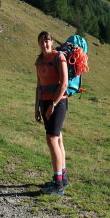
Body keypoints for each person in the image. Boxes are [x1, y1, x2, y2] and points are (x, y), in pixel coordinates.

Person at [35, 31, 69, 195]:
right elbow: (39, 86)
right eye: (42, 41)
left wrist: (53, 105)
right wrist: (37, 108)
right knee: (58, 137)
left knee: (52, 138)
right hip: (44, 101)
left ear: (52, 42)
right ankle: (63, 177)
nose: (45, 44)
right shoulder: (39, 60)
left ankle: (58, 185)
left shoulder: (59, 57)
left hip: (58, 101)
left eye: (47, 41)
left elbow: (64, 84)